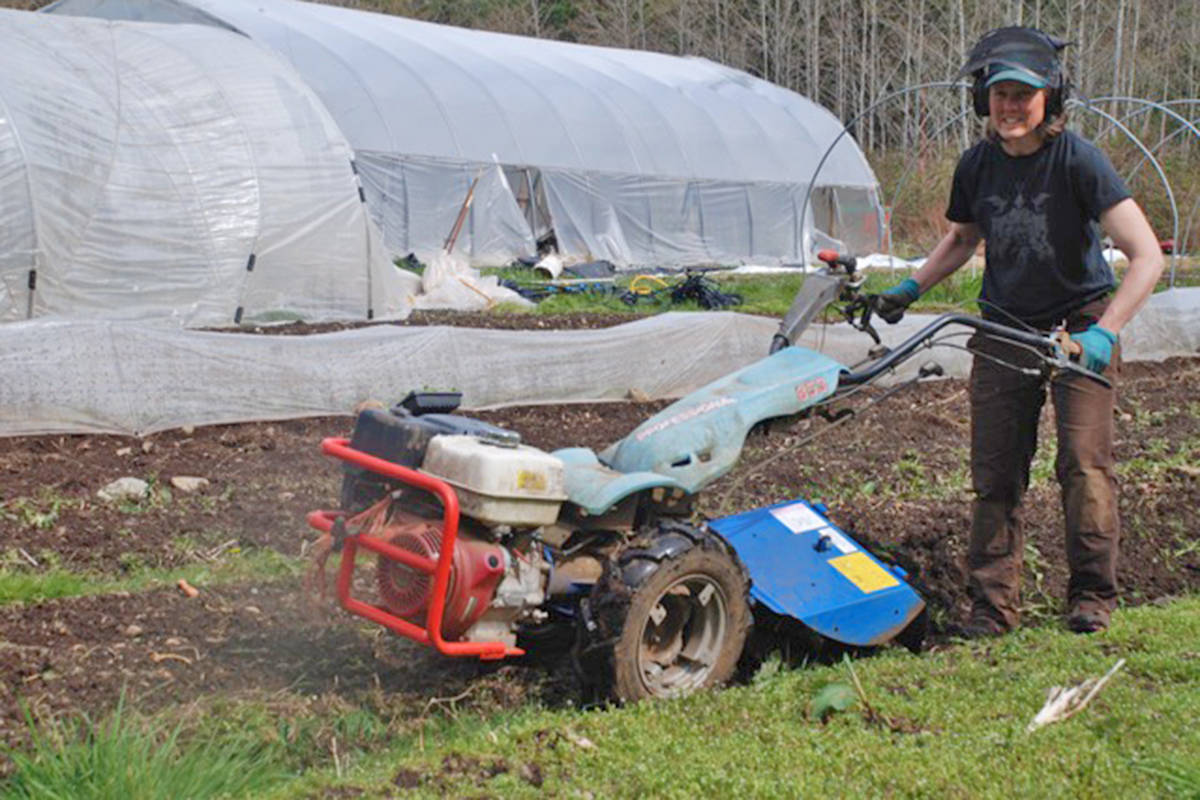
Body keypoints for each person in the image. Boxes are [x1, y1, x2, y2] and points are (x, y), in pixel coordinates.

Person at [874, 26, 1164, 636]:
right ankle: (992, 607)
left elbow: (1146, 256)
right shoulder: (977, 165)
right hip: (1005, 329)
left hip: (1078, 328)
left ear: (1050, 99)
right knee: (995, 474)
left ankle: (1092, 598)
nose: (1010, 107)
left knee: (1084, 466)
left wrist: (1105, 333)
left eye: (1023, 95)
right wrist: (909, 288)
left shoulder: (1079, 161)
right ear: (984, 99)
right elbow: (961, 237)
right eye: (1000, 94)